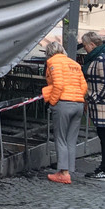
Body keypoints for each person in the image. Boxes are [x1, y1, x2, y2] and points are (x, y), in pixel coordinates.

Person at [42, 40, 87, 184]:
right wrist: (78, 97)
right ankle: (69, 169)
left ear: (49, 52)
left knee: (60, 138)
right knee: (71, 140)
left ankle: (63, 173)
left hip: (63, 103)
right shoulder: (74, 64)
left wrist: (53, 101)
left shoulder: (52, 62)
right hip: (78, 104)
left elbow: (58, 84)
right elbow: (84, 86)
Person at [80, 31, 105, 181]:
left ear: (92, 44)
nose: (84, 48)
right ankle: (104, 168)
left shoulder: (102, 59)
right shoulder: (101, 57)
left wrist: (94, 98)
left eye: (85, 45)